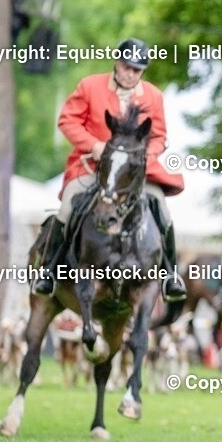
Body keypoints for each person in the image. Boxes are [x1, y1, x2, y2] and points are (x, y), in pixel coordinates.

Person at [31, 38, 186, 301]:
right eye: (127, 67)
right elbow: (67, 120)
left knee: (163, 209)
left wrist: (142, 157)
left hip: (132, 174)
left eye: (137, 70)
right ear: (116, 63)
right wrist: (93, 145)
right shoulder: (89, 86)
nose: (131, 74)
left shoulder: (153, 95)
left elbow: (159, 136)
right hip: (92, 167)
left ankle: (171, 275)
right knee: (67, 207)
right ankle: (49, 271)